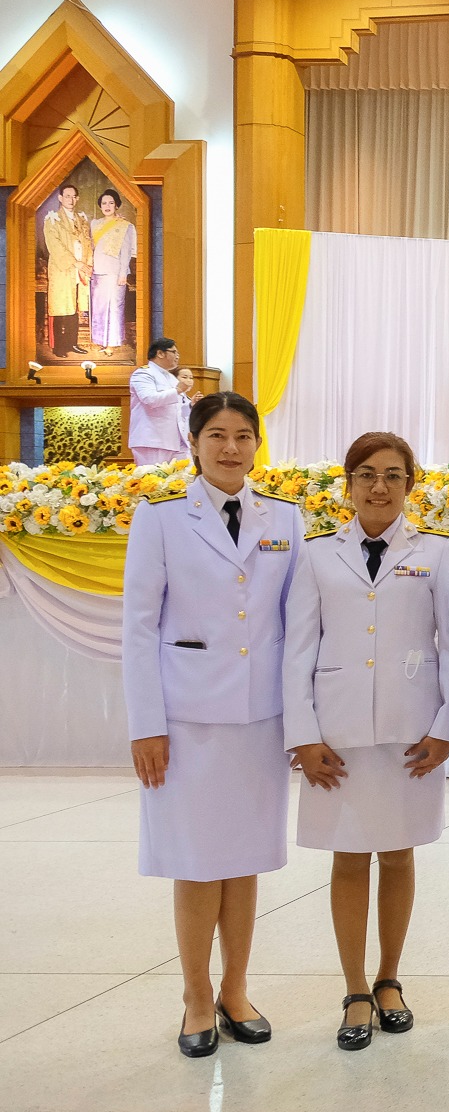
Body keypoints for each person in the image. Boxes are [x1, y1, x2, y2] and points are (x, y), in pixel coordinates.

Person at [121, 391, 300, 1057]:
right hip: (187, 720)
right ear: (193, 443)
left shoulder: (284, 517)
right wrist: (146, 724)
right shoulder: (161, 518)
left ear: (257, 445)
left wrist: (301, 722)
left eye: (243, 435)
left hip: (260, 719)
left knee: (245, 859)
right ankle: (196, 995)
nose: (231, 447)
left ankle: (235, 988)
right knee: (197, 864)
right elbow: (139, 628)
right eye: (217, 435)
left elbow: (298, 627)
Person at [285, 432, 449, 1051]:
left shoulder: (437, 552)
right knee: (348, 857)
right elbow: (298, 648)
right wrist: (303, 735)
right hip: (338, 735)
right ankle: (355, 987)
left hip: (411, 735)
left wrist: (446, 727)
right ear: (349, 483)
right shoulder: (316, 555)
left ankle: (389, 978)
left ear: (410, 483)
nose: (379, 486)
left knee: (400, 855)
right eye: (366, 474)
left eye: (392, 475)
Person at [43, 184, 92, 357]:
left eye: (73, 196)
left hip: (79, 272)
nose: (70, 200)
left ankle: (72, 343)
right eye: (67, 196)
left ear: (77, 199)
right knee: (60, 308)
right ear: (60, 198)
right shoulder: (53, 219)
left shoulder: (81, 219)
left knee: (75, 308)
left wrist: (87, 264)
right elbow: (55, 246)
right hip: (62, 270)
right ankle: (59, 347)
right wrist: (75, 263)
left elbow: (88, 243)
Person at [129, 338, 190, 466]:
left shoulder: (171, 378)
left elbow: (179, 408)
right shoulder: (143, 374)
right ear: (160, 353)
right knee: (153, 477)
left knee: (181, 477)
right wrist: (177, 390)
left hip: (176, 440)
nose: (177, 356)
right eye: (174, 352)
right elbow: (150, 399)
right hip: (152, 440)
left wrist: (192, 405)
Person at [89, 189, 136, 354]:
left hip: (115, 273)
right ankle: (100, 341)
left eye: (111, 203)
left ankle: (112, 344)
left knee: (114, 308)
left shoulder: (125, 226)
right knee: (99, 308)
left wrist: (123, 273)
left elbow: (126, 252)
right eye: (104, 203)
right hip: (97, 271)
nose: (107, 206)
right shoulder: (95, 224)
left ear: (116, 205)